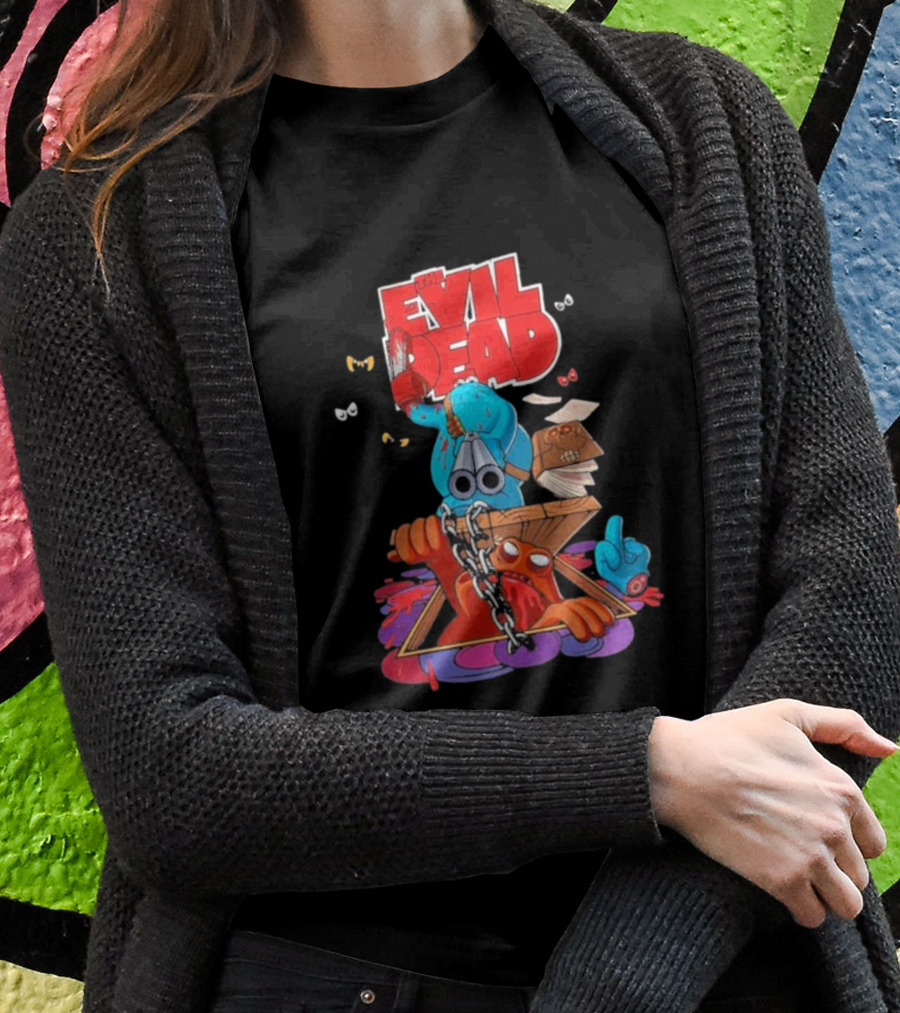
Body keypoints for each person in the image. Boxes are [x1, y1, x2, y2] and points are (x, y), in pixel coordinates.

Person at [0, 0, 899, 1010]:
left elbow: (852, 601)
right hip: (338, 980)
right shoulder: (101, 239)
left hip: (712, 965)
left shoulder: (704, 128)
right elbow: (173, 773)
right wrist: (649, 772)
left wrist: (628, 971)